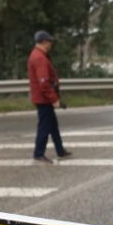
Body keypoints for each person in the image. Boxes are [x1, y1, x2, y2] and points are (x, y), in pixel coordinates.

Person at [28, 30, 71, 163]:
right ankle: (38, 153)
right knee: (45, 127)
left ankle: (60, 151)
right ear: (44, 42)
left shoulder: (38, 55)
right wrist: (54, 99)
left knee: (53, 125)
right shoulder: (39, 58)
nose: (51, 44)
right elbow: (44, 83)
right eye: (49, 41)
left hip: (44, 97)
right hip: (43, 99)